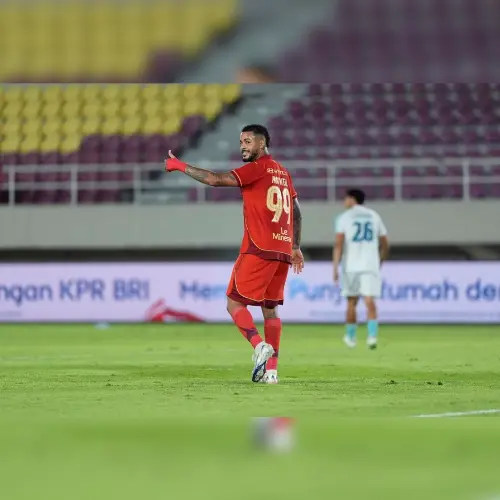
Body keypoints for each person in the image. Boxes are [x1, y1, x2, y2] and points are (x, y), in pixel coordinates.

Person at [165, 124, 304, 383]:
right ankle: (271, 372)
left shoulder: (257, 168)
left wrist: (179, 166)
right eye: (241, 142)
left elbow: (215, 180)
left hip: (259, 248)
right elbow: (296, 210)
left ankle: (259, 345)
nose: (243, 146)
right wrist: (295, 246)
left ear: (261, 144)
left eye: (248, 141)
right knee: (270, 309)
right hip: (282, 250)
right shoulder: (283, 172)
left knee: (234, 303)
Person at [333, 189, 389, 349]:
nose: (344, 202)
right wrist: (380, 259)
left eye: (346, 198)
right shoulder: (374, 215)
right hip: (370, 265)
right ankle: (372, 337)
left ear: (352, 199)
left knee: (351, 301)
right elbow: (385, 242)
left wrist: (335, 267)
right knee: (369, 300)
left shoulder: (345, 217)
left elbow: (338, 244)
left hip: (351, 265)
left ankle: (351, 337)